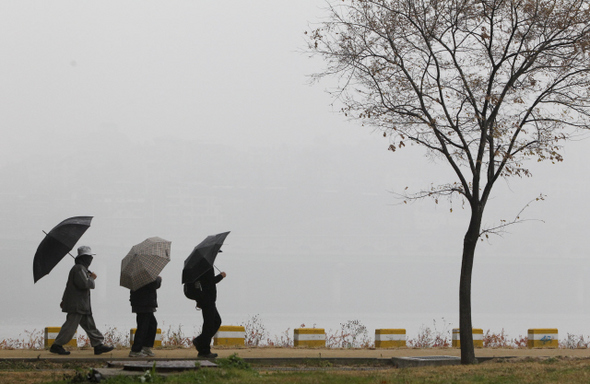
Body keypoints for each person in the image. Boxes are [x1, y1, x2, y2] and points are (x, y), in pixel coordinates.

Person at [49, 246, 114, 355]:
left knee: (90, 325)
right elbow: (84, 284)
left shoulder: (81, 269)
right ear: (85, 258)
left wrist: (64, 299)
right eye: (89, 257)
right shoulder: (78, 269)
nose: (91, 259)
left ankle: (98, 345)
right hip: (77, 305)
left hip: (82, 305)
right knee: (70, 326)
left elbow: (69, 286)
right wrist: (92, 278)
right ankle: (57, 345)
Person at [191, 268, 226, 358]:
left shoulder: (201, 267)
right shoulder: (206, 267)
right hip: (207, 300)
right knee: (209, 324)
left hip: (206, 300)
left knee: (215, 321)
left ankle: (200, 341)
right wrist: (220, 276)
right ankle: (204, 350)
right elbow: (209, 282)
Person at [128, 276, 162, 357]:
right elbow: (154, 285)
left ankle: (145, 347)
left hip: (142, 302)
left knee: (152, 325)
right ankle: (136, 349)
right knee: (143, 326)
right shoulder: (145, 276)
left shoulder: (135, 275)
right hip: (144, 303)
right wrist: (159, 279)